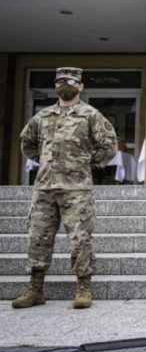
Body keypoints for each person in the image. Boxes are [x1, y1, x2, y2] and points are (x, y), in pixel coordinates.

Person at [13, 67, 117, 309]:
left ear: (80, 86)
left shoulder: (90, 115)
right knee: (38, 238)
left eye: (70, 82)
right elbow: (27, 143)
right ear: (55, 86)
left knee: (80, 239)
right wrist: (47, 162)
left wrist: (87, 164)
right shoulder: (42, 116)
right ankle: (35, 289)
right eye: (60, 81)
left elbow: (109, 145)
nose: (65, 85)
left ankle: (83, 287)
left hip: (76, 190)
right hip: (45, 188)